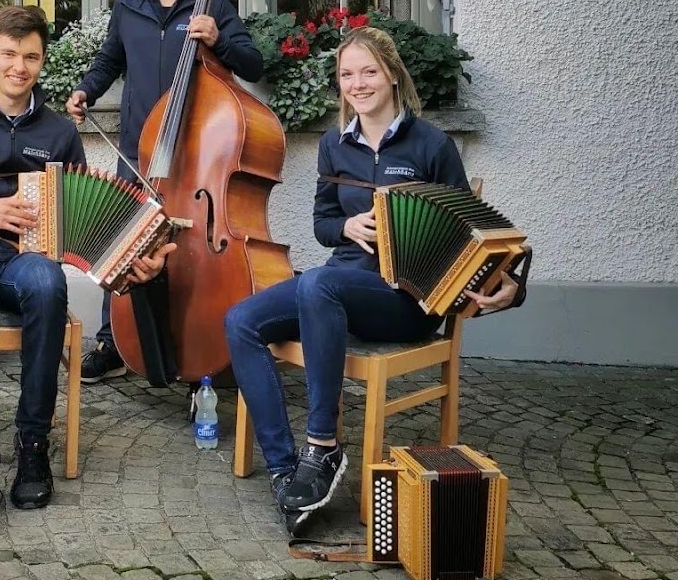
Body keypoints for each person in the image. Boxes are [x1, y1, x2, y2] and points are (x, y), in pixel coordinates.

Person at [223, 26, 527, 531]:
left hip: (405, 300)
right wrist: (346, 226)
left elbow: (474, 230)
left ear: (392, 76)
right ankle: (285, 470)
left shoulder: (432, 145)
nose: (357, 84)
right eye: (347, 75)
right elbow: (323, 224)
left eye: (368, 72)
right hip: (339, 285)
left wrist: (514, 285)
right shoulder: (333, 144)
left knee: (319, 284)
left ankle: (322, 445)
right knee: (240, 320)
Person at [0, 5, 174, 535]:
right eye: (8, 54)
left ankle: (32, 444)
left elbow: (86, 218)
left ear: (42, 61)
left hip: (27, 257)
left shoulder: (59, 131)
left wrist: (131, 258)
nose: (18, 67)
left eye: (30, 57)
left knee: (49, 286)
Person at [66, 0, 263, 383]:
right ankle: (113, 342)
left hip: (195, 159)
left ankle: (201, 343)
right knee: (119, 245)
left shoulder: (213, 5)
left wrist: (218, 40)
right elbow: (108, 62)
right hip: (140, 150)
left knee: (191, 254)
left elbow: (254, 65)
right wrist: (85, 90)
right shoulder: (127, 8)